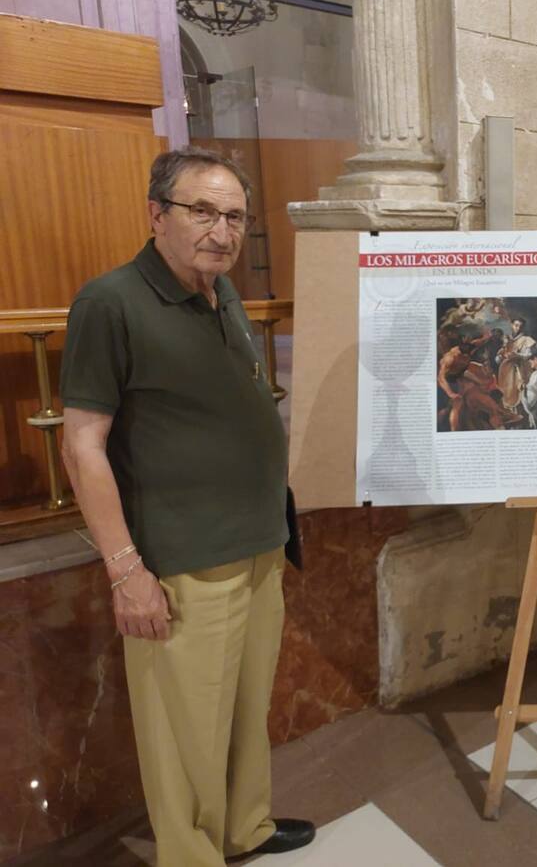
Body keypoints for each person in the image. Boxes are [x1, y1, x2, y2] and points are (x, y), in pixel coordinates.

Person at [59, 147, 315, 865]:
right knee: (186, 731)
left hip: (258, 543)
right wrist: (125, 571)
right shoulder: (110, 303)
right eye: (202, 211)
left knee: (244, 712)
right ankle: (192, 854)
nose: (221, 231)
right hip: (184, 559)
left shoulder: (220, 293)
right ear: (157, 215)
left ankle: (244, 828)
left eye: (234, 216)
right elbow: (83, 445)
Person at [496, 315, 537, 410]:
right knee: (507, 390)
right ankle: (509, 411)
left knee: (519, 390)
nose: (518, 328)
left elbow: (528, 355)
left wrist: (517, 355)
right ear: (512, 325)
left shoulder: (526, 339)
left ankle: (521, 412)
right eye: (516, 325)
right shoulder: (507, 339)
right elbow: (498, 358)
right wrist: (501, 356)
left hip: (520, 368)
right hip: (506, 370)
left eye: (520, 326)